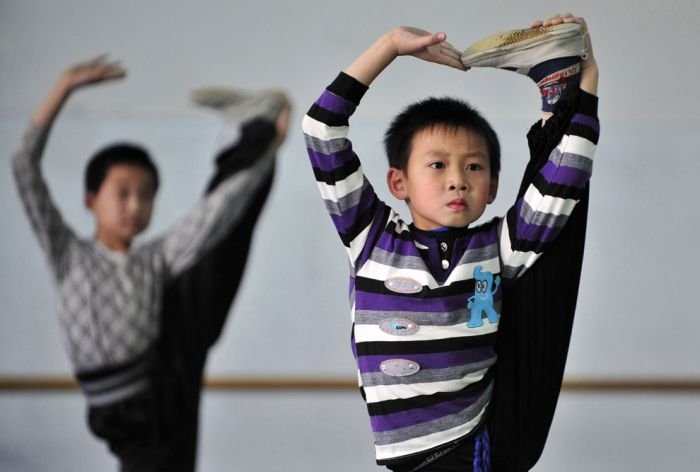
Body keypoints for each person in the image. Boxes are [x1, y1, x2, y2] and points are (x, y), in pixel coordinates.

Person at [302, 12, 598, 472]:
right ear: (398, 182)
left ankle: (559, 88)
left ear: (493, 187)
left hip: (475, 440)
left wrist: (587, 87)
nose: (458, 181)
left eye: (474, 167)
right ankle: (559, 85)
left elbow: (561, 188)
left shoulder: (496, 246)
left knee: (558, 216)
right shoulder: (370, 236)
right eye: (438, 165)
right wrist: (391, 45)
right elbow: (321, 128)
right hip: (416, 456)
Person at [11, 56, 290, 470]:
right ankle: (256, 130)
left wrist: (268, 152)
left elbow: (215, 214)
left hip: (159, 389)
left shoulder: (155, 259)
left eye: (146, 194)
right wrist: (63, 88)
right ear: (91, 199)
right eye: (122, 192)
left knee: (216, 242)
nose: (135, 205)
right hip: (121, 410)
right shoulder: (67, 254)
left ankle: (256, 132)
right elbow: (23, 168)